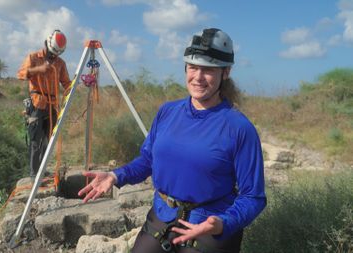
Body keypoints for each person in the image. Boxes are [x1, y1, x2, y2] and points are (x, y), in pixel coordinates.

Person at [78, 28, 266, 253]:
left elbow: (253, 196)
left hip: (209, 225)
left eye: (208, 70)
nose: (197, 77)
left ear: (225, 73)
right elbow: (148, 160)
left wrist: (224, 223)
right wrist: (116, 175)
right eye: (193, 67)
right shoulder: (168, 112)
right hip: (162, 215)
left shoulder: (239, 128)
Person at [17, 29, 72, 179]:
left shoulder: (60, 63)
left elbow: (66, 83)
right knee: (35, 141)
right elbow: (21, 74)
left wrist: (76, 85)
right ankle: (34, 174)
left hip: (52, 105)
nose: (53, 56)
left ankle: (42, 169)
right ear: (47, 44)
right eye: (52, 52)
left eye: (56, 54)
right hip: (37, 104)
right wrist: (38, 69)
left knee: (48, 140)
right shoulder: (33, 57)